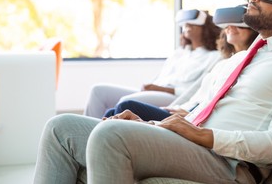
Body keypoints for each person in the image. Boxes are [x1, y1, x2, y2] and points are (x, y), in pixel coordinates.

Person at [33, 0, 272, 184]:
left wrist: (202, 136)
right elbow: (196, 112)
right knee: (61, 128)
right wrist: (151, 127)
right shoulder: (238, 60)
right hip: (190, 145)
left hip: (228, 165)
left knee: (110, 136)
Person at [102, 5, 259, 121]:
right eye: (228, 25)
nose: (231, 28)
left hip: (194, 117)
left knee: (126, 106)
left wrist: (189, 112)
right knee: (112, 113)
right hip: (185, 108)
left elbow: (218, 104)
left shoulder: (243, 64)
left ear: (254, 31)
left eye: (239, 25)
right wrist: (177, 108)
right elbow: (197, 96)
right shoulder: (224, 64)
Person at [84, 9, 222, 118]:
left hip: (175, 97)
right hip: (156, 90)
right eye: (186, 24)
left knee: (126, 102)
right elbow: (161, 78)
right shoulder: (179, 53)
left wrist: (159, 89)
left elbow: (195, 90)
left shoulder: (213, 57)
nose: (187, 27)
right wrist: (152, 86)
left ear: (205, 28)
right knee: (98, 91)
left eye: (192, 24)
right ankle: (87, 133)